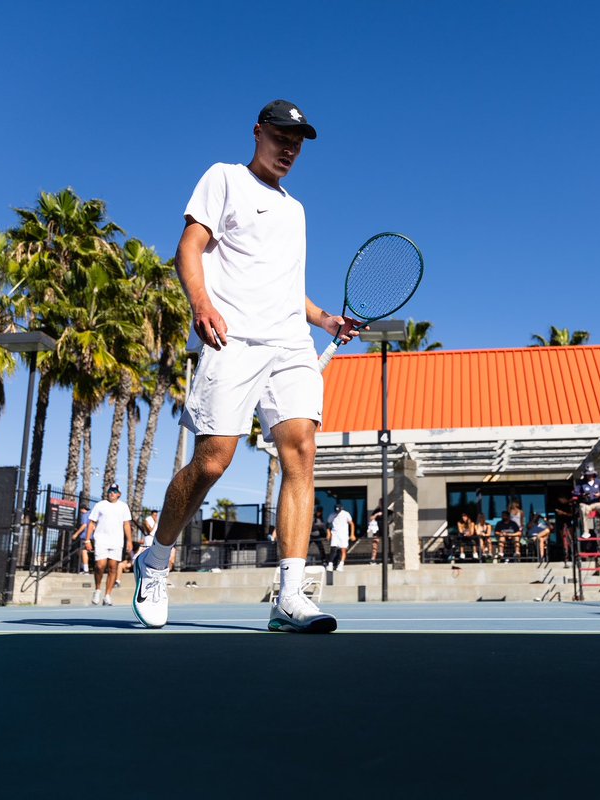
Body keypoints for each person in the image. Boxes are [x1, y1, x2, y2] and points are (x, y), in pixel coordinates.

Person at [129, 99, 359, 634]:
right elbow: (190, 247)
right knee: (213, 462)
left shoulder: (296, 210)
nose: (290, 148)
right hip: (232, 338)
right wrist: (201, 303)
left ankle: (289, 597)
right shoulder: (224, 178)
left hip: (290, 344)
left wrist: (324, 319)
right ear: (258, 132)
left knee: (301, 450)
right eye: (281, 136)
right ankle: (155, 561)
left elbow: (283, 284)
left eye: (298, 141)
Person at [87, 485, 133, 605]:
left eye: (115, 491)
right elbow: (92, 523)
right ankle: (97, 590)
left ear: (119, 494)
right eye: (110, 491)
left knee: (113, 567)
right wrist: (87, 540)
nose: (112, 493)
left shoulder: (123, 507)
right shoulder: (100, 505)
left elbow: (126, 524)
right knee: (100, 566)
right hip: (101, 539)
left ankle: (107, 595)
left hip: (117, 541)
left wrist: (129, 541)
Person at [573, 467, 600, 539]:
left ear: (594, 474)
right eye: (588, 475)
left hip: (596, 503)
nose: (589, 476)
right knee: (582, 509)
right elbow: (575, 493)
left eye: (591, 474)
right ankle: (586, 532)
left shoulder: (599, 482)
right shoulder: (580, 483)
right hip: (585, 503)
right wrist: (582, 495)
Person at [327, 504, 355, 573]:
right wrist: (328, 533)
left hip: (343, 535)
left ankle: (341, 564)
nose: (337, 512)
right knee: (333, 548)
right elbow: (328, 525)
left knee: (343, 550)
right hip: (335, 534)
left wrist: (352, 534)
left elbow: (351, 523)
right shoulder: (332, 515)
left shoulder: (346, 514)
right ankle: (330, 564)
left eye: (338, 510)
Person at [70, 503, 91, 574]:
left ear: (81, 509)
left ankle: (86, 570)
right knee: (79, 552)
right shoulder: (91, 514)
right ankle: (84, 567)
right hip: (91, 536)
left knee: (84, 552)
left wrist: (76, 534)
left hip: (85, 536)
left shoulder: (85, 515)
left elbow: (84, 525)